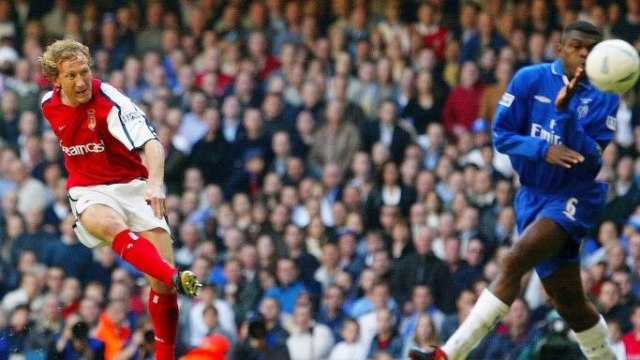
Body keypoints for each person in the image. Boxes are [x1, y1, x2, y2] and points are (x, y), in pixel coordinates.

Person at [412, 21, 620, 360]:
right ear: (559, 48)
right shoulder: (529, 79)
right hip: (532, 195)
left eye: (591, 49)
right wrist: (542, 149)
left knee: (514, 260)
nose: (584, 53)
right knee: (569, 302)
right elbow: (501, 135)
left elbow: (590, 162)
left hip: (575, 195)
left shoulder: (604, 96)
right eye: (577, 46)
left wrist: (564, 113)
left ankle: (447, 354)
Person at [38, 39, 201, 360]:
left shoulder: (111, 101)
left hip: (135, 185)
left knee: (162, 288)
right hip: (88, 189)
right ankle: (172, 275)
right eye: (71, 76)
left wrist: (155, 183)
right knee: (112, 226)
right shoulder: (47, 104)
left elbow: (152, 143)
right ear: (55, 80)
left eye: (84, 72)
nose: (81, 82)